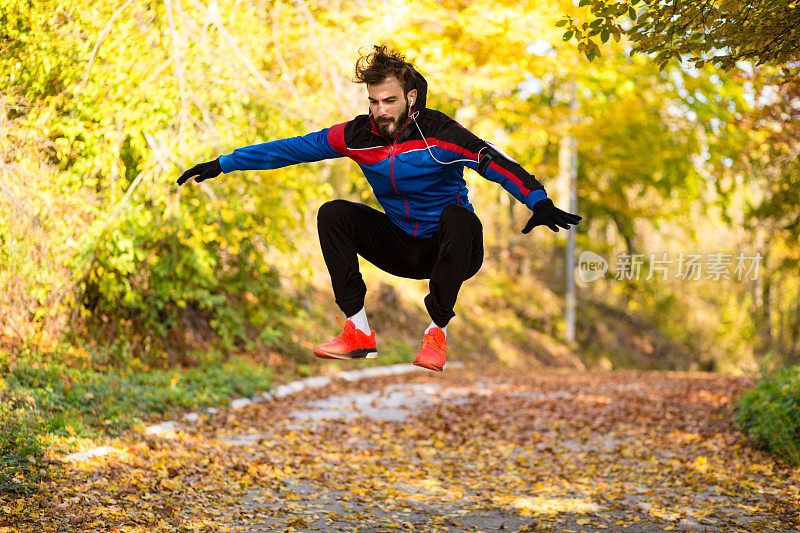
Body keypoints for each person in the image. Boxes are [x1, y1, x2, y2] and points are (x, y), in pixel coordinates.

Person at [177, 44, 581, 372]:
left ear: (410, 97)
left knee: (459, 217)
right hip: (402, 246)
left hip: (452, 249)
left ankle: (436, 332)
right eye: (373, 101)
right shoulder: (357, 135)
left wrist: (538, 200)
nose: (380, 111)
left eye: (388, 101)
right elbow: (292, 148)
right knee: (333, 213)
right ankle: (358, 331)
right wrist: (224, 163)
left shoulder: (441, 133)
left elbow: (495, 162)